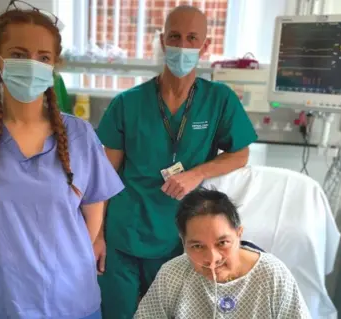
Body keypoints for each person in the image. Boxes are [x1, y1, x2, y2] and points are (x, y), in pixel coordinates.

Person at [0, 2, 124, 319]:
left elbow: (93, 217)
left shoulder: (80, 136)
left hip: (69, 298)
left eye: (43, 58)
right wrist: (8, 258)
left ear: (53, 66)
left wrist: (58, 264)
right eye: (19, 55)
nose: (31, 65)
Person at [95, 5, 258, 318]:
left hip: (181, 237)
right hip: (124, 232)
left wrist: (196, 174)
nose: (182, 46)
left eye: (192, 38)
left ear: (205, 46)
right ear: (162, 41)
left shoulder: (219, 99)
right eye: (175, 37)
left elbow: (241, 154)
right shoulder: (127, 103)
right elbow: (103, 176)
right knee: (118, 313)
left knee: (171, 312)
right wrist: (97, 236)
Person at [134, 188, 312, 319]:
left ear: (239, 234)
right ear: (183, 243)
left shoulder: (272, 276)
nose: (212, 260)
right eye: (197, 246)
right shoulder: (173, 275)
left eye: (222, 243)